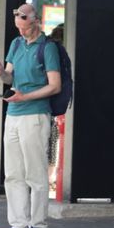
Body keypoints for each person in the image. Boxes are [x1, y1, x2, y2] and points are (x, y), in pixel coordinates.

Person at [0, 4, 61, 228]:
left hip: (35, 114)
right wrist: (0, 73)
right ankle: (18, 224)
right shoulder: (16, 44)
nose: (22, 32)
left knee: (35, 173)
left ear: (36, 22)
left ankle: (37, 226)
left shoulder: (47, 48)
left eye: (26, 28)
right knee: (13, 173)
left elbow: (55, 85)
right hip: (14, 112)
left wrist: (26, 97)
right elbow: (10, 76)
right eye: (18, 28)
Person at [46, 24, 65, 193]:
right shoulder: (62, 55)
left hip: (47, 104)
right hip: (60, 105)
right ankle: (51, 177)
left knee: (51, 139)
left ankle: (49, 176)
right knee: (54, 140)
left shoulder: (49, 51)